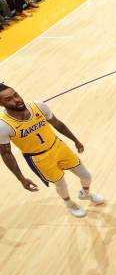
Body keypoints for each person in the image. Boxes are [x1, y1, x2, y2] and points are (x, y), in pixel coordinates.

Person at [0, 84, 104, 217]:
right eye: (9, 99)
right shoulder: (3, 125)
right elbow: (6, 154)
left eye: (16, 94)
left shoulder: (38, 106)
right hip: (39, 158)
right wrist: (21, 178)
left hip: (58, 146)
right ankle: (69, 204)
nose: (17, 100)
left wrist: (75, 140)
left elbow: (57, 124)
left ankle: (86, 193)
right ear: (1, 103)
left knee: (86, 176)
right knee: (61, 184)